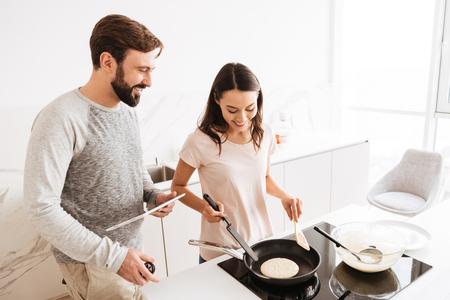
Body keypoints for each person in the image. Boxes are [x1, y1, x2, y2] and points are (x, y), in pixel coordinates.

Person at [23, 14, 176, 299]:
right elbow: (40, 207)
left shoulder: (127, 109)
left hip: (129, 252)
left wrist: (153, 195)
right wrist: (114, 257)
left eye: (152, 69)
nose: (150, 81)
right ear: (108, 62)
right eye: (142, 69)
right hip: (95, 264)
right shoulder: (61, 117)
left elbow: (133, 165)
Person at [171, 62, 303, 263]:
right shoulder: (200, 140)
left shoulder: (264, 132)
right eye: (232, 110)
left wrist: (285, 195)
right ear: (216, 99)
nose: (242, 118)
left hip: (262, 243)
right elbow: (177, 187)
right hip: (221, 251)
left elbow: (264, 177)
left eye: (250, 108)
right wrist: (202, 207)